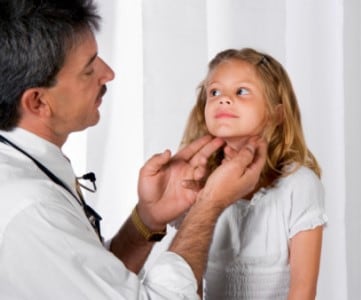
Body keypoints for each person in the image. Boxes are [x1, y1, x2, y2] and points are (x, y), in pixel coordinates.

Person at [0, 1, 267, 299]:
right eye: (89, 70)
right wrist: (208, 206)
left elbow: (92, 285)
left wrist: (147, 220)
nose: (108, 74)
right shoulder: (32, 209)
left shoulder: (23, 173)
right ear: (37, 102)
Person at [180, 48, 328, 299]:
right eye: (214, 92)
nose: (223, 99)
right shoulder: (197, 182)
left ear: (276, 113)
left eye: (242, 91)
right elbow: (187, 282)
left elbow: (303, 291)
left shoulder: (299, 185)